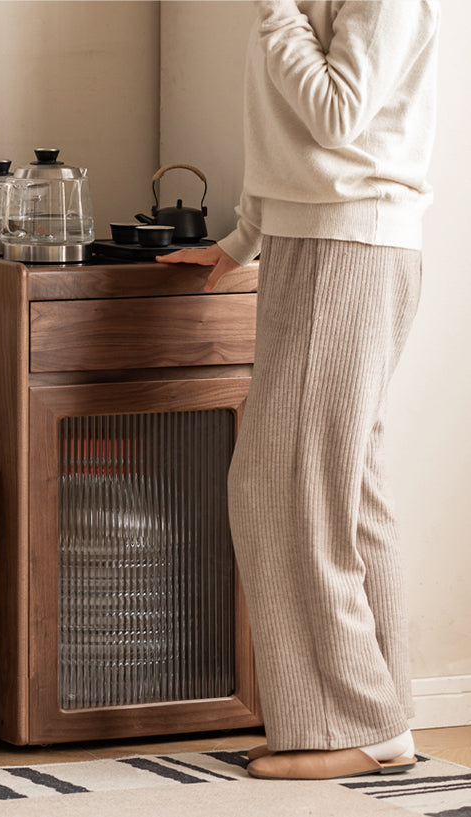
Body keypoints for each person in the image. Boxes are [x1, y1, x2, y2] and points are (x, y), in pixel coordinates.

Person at [161, 0, 440, 780]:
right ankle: (383, 720)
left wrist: (277, 10)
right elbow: (282, 133)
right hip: (314, 242)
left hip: (348, 244)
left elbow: (335, 117)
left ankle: (350, 724)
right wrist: (244, 240)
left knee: (284, 488)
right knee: (345, 492)